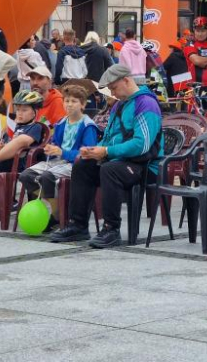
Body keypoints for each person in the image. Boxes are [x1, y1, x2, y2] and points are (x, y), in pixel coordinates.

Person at [50, 64, 163, 249]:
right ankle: (77, 225)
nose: (112, 93)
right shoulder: (119, 104)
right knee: (82, 164)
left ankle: (111, 229)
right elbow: (109, 137)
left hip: (145, 166)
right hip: (121, 162)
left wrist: (107, 152)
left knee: (110, 170)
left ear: (126, 80)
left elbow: (142, 145)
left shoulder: (146, 103)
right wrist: (95, 150)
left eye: (113, 88)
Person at [18, 85, 101, 232]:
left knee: (47, 177)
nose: (69, 104)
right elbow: (55, 143)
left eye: (74, 101)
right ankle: (59, 208)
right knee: (26, 175)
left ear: (82, 104)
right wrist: (50, 148)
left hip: (75, 164)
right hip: (57, 161)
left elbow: (87, 153)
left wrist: (62, 152)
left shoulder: (88, 126)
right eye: (66, 101)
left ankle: (57, 216)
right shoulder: (61, 123)